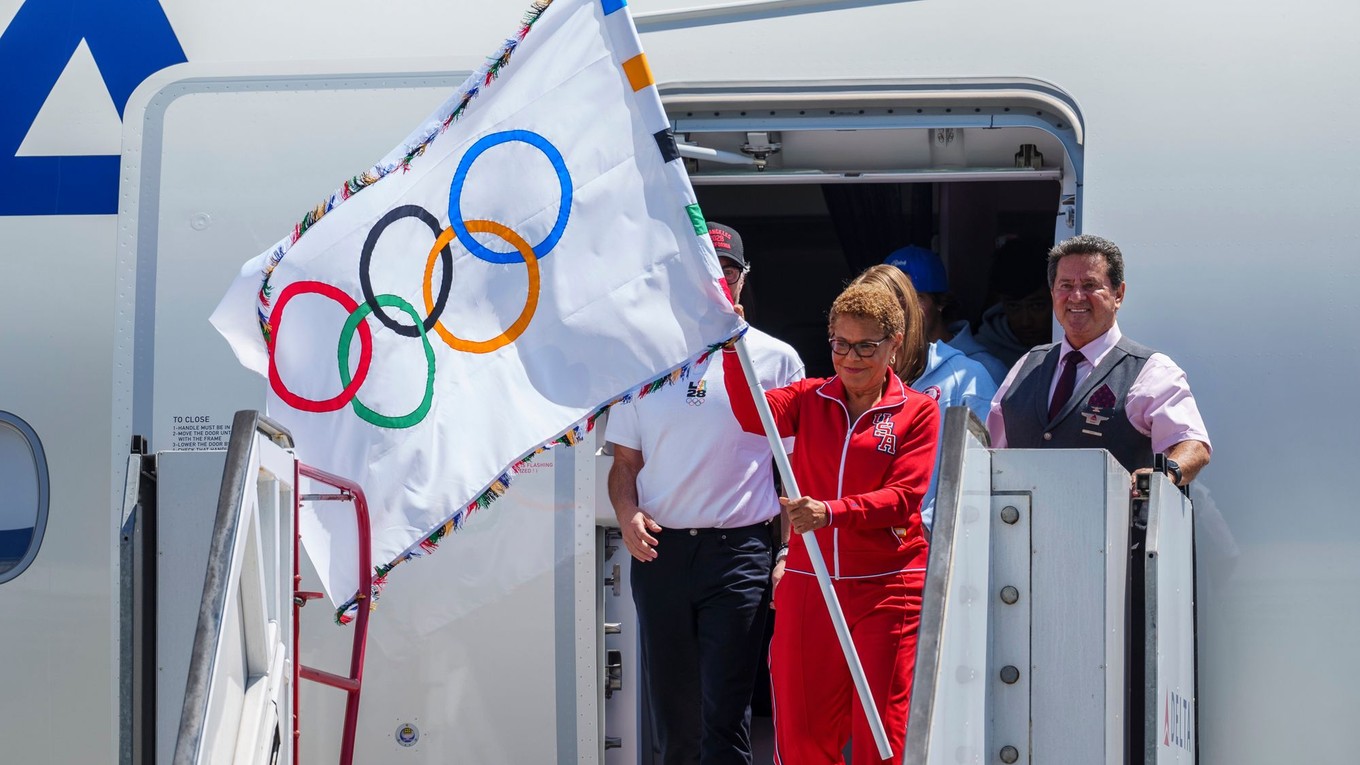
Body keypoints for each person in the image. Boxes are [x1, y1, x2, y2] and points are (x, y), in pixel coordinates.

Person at [606, 221, 804, 765]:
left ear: (744, 279)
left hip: (739, 552)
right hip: (661, 552)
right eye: (706, 271)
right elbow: (624, 465)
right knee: (673, 716)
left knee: (727, 714)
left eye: (729, 272)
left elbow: (794, 471)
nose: (718, 282)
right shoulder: (645, 362)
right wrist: (626, 513)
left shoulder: (777, 359)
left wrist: (787, 552)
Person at [722, 282, 939, 765]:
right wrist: (732, 348)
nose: (851, 358)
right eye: (841, 344)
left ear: (894, 343)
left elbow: (904, 498)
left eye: (866, 346)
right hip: (811, 581)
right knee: (802, 732)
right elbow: (752, 414)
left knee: (882, 737)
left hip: (887, 587)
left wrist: (829, 512)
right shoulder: (809, 397)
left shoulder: (918, 410)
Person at [986, 233, 1211, 485]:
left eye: (1090, 285)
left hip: (1112, 512)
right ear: (1053, 293)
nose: (1076, 296)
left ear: (1119, 295)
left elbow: (1193, 445)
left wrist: (1165, 474)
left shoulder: (1151, 371)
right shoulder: (1027, 365)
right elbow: (988, 454)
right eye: (1066, 285)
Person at [853, 264, 997, 531]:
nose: (864, 341)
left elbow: (985, 477)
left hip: (934, 547)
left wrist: (924, 531)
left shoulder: (966, 378)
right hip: (861, 545)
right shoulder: (848, 386)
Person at [884, 245, 1008, 383]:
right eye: (892, 300)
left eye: (915, 298)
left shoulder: (986, 368)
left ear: (941, 302)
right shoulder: (879, 366)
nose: (901, 310)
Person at [975, 236, 1054, 372]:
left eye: (1037, 306)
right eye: (1013, 307)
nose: (1025, 321)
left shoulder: (1078, 346)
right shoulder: (981, 357)